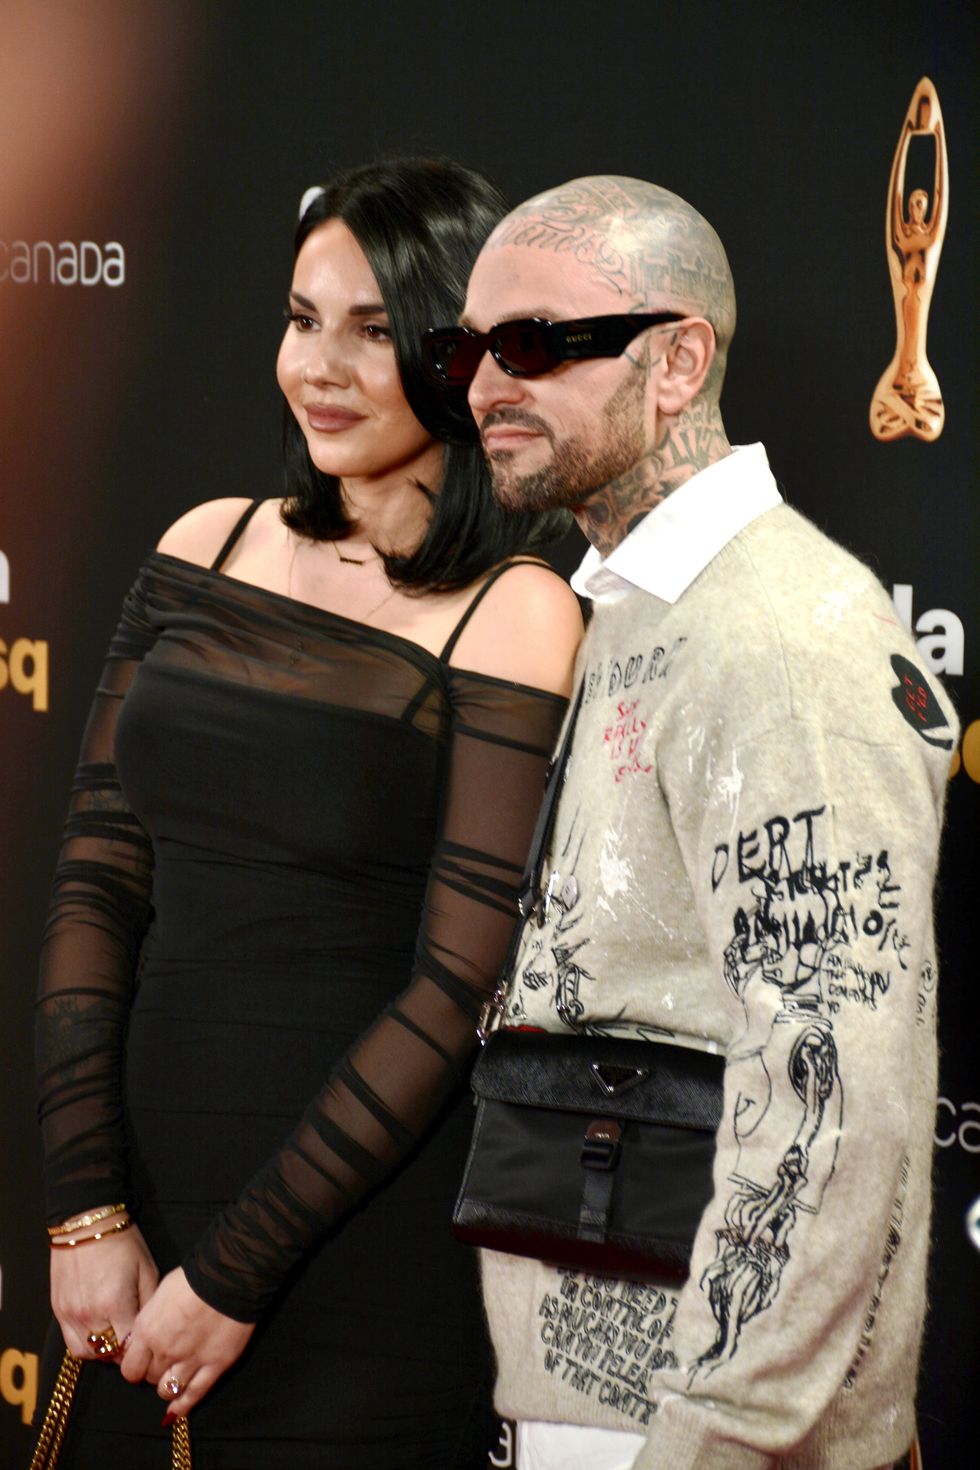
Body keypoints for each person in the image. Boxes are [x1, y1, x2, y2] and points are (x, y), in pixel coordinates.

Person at [34, 157, 582, 1470]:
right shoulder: (202, 543)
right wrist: (84, 1212)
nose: (320, 367)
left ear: (461, 355)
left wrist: (233, 1275)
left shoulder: (514, 607)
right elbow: (95, 887)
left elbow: (454, 983)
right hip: (128, 1242)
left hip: (348, 1262)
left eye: (375, 330)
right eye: (301, 318)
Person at [427, 174, 958, 1469]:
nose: (487, 384)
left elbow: (836, 1089)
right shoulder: (617, 603)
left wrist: (722, 1431)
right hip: (591, 1415)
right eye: (467, 349)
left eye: (536, 345)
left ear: (677, 362)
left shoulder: (781, 636)